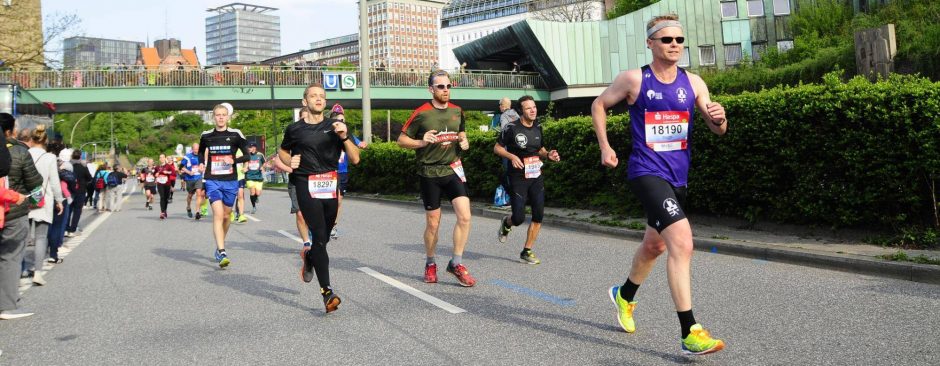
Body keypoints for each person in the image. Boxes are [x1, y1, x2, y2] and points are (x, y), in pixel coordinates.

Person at [591, 14, 728, 356]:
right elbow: (598, 105)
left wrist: (720, 120)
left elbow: (716, 129)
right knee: (682, 242)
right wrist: (605, 146)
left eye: (680, 40)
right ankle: (689, 331)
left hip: (678, 178)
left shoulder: (694, 83)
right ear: (650, 43)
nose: (675, 46)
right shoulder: (634, 79)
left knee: (655, 247)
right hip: (646, 172)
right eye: (667, 40)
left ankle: (624, 295)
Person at [280, 83, 359, 313]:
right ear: (305, 101)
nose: (318, 99)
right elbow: (284, 151)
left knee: (322, 238)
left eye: (322, 97)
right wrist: (288, 162)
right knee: (320, 236)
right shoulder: (295, 129)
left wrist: (344, 137)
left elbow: (355, 159)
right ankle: (327, 292)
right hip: (305, 183)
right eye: (313, 96)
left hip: (329, 183)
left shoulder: (336, 126)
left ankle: (310, 256)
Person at [397, 70, 476, 287]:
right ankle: (430, 262)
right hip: (429, 173)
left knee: (465, 217)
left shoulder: (457, 111)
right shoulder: (422, 113)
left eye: (448, 86)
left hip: (452, 169)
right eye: (441, 87)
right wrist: (422, 142)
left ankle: (456, 263)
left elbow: (461, 133)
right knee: (433, 224)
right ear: (431, 89)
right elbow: (401, 140)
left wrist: (464, 141)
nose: (446, 90)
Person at [494, 95, 560, 264]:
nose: (533, 110)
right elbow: (497, 148)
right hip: (517, 177)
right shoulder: (511, 128)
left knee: (539, 214)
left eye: (534, 107)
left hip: (535, 175)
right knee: (519, 218)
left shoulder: (538, 126)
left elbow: (540, 149)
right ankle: (507, 223)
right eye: (528, 108)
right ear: (521, 112)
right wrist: (511, 156)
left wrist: (548, 155)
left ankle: (527, 250)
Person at [0, 113, 42, 320]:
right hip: (14, 210)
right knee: (10, 257)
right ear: (9, 131)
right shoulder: (19, 152)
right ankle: (7, 305)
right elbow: (35, 181)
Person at [199, 103, 250, 268]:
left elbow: (248, 155)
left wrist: (233, 160)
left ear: (228, 117)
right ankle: (222, 251)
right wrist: (201, 163)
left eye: (223, 114)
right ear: (213, 117)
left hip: (230, 180)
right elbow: (201, 152)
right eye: (217, 115)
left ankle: (220, 244)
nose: (220, 117)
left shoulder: (236, 134)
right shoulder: (206, 135)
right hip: (212, 179)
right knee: (218, 214)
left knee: (227, 216)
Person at [25, 124, 65, 286]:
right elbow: (55, 182)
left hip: (23, 199)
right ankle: (38, 272)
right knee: (41, 237)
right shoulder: (49, 158)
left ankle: (21, 269)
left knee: (23, 238)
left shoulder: (24, 153)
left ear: (32, 139)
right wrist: (59, 200)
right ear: (45, 140)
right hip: (43, 200)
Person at [328, 103, 368, 239]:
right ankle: (323, 223)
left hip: (342, 172)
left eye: (342, 120)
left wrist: (362, 144)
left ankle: (333, 225)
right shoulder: (326, 132)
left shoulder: (347, 133)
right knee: (328, 200)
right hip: (328, 171)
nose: (340, 122)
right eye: (336, 119)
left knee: (338, 201)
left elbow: (357, 144)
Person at [65, 149, 91, 237]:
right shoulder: (83, 167)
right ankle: (73, 229)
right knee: (77, 210)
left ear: (72, 156)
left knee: (68, 210)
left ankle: (65, 228)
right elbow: (89, 178)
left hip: (69, 190)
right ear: (80, 157)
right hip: (80, 190)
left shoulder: (68, 166)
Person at [180, 142, 205, 219]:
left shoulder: (202, 156)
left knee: (199, 194)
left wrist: (202, 169)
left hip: (198, 177)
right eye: (195, 149)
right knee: (190, 195)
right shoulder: (187, 156)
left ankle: (197, 212)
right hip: (189, 178)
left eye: (197, 149)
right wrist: (189, 172)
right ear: (192, 149)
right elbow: (181, 167)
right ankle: (188, 207)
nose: (196, 150)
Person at [244, 142, 266, 215]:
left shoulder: (260, 155)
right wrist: (245, 168)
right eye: (248, 147)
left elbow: (264, 163)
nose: (248, 149)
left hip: (258, 177)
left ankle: (256, 197)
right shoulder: (247, 155)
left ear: (254, 148)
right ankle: (254, 207)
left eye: (250, 147)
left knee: (258, 193)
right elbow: (244, 164)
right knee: (252, 192)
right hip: (249, 176)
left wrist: (262, 167)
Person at [155, 154, 177, 219]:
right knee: (162, 197)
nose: (161, 159)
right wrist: (155, 175)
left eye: (162, 157)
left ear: (165, 158)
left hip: (167, 184)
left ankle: (164, 210)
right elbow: (154, 174)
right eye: (160, 157)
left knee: (166, 198)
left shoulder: (169, 166)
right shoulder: (157, 167)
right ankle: (162, 212)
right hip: (160, 184)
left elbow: (174, 173)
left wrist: (167, 172)